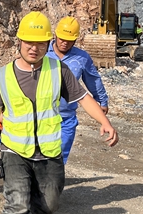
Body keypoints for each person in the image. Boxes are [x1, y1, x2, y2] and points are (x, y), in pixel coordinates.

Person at [0, 12, 119, 214]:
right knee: (16, 205)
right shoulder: (3, 75)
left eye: (40, 43)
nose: (34, 48)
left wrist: (105, 122)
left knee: (50, 205)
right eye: (29, 42)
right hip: (14, 151)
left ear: (47, 44)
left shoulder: (59, 71)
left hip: (49, 152)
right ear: (19, 42)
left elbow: (83, 97)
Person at [46, 16, 110, 163]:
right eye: (62, 38)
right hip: (42, 116)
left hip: (66, 118)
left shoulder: (81, 58)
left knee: (58, 161)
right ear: (55, 35)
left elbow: (93, 80)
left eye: (69, 40)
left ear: (75, 40)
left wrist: (102, 101)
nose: (64, 42)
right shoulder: (42, 53)